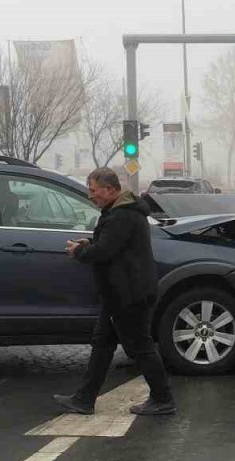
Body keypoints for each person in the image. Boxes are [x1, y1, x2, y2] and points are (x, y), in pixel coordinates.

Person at [54, 167, 176, 417]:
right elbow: (113, 245)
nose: (91, 196)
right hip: (120, 293)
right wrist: (90, 243)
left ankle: (163, 398)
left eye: (93, 191)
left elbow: (105, 252)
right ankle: (84, 399)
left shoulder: (123, 215)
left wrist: (80, 252)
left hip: (128, 294)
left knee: (140, 347)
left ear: (109, 189)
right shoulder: (120, 212)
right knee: (103, 343)